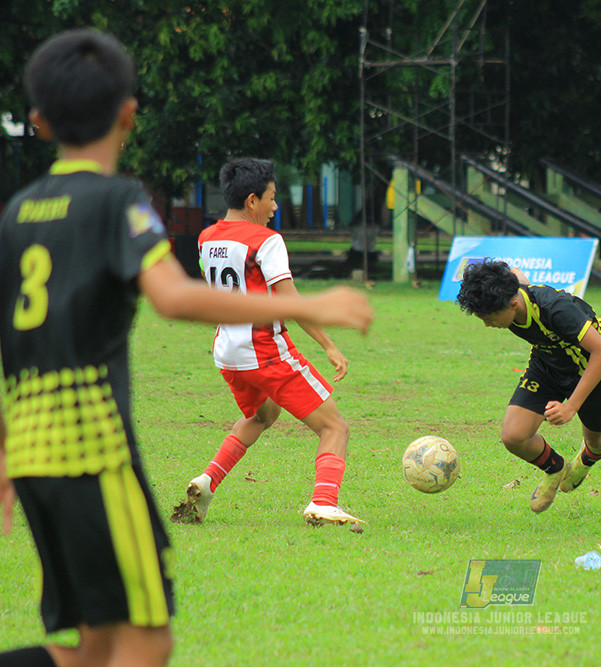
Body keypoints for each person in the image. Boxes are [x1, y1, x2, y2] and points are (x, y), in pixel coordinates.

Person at [0, 29, 372, 667]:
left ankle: (213, 479)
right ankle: (322, 501)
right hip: (90, 449)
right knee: (148, 643)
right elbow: (174, 299)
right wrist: (305, 305)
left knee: (92, 649)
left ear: (37, 122)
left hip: (30, 451)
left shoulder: (17, 213)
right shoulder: (119, 202)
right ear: (128, 113)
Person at [172, 157, 364, 529]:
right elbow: (289, 302)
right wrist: (328, 345)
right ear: (251, 201)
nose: (276, 207)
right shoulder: (267, 241)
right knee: (334, 428)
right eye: (272, 198)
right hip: (264, 349)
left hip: (227, 351)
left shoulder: (207, 237)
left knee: (262, 415)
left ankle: (208, 481)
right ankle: (324, 503)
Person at [455, 260, 601, 513]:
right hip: (547, 364)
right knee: (513, 436)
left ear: (513, 304)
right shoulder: (512, 292)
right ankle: (555, 468)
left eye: (490, 318)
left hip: (590, 367)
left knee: (597, 438)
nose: (487, 325)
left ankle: (586, 458)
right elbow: (514, 272)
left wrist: (571, 407)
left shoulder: (556, 309)